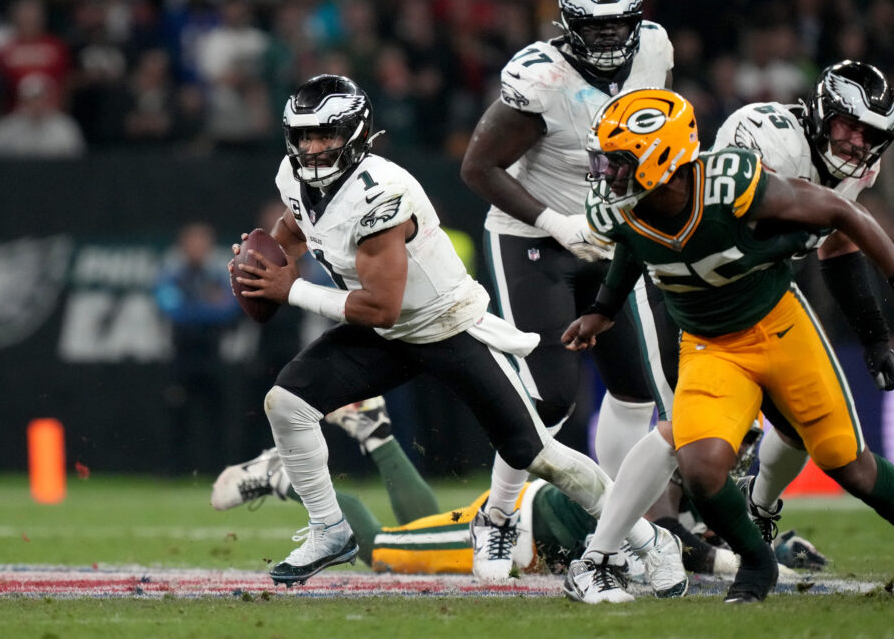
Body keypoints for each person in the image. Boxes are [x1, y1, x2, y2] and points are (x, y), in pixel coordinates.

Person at [229, 74, 686, 594]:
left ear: (356, 134)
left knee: (538, 454)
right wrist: (262, 260)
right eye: (304, 136)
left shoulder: (383, 194)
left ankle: (652, 540)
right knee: (287, 404)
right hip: (386, 331)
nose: (313, 149)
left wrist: (289, 289)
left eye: (326, 136)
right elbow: (298, 225)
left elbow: (382, 307)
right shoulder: (294, 175)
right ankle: (330, 530)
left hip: (444, 325)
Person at [560, 87, 894, 604]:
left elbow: (842, 214)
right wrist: (604, 309)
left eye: (616, 161)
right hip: (709, 345)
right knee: (701, 468)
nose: (605, 174)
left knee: (846, 462)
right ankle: (757, 561)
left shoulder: (729, 183)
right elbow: (636, 244)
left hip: (780, 328)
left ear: (660, 160)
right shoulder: (619, 210)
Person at [459, 0, 676, 580]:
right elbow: (478, 168)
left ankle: (611, 525)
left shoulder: (655, 49)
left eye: (617, 26)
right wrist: (556, 223)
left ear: (636, 24)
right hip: (533, 237)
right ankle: (498, 515)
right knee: (552, 391)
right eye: (595, 27)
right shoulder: (542, 79)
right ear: (568, 27)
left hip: (612, 237)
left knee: (636, 389)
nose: (608, 40)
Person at [212, 398, 657, 581]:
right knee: (385, 550)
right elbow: (673, 530)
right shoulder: (688, 467)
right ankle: (280, 474)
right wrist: (724, 556)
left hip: (530, 523)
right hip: (524, 531)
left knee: (416, 531)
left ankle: (376, 433)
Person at [154, 221, 241, 474]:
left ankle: (218, 471)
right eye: (193, 242)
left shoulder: (218, 276)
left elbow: (230, 310)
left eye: (202, 242)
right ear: (182, 246)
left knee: (217, 418)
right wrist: (206, 306)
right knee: (178, 416)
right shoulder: (172, 275)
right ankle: (174, 472)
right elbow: (173, 310)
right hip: (182, 356)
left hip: (212, 356)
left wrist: (194, 306)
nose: (197, 248)